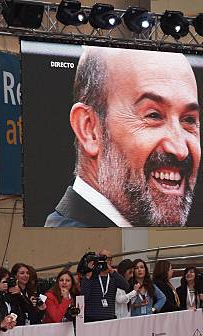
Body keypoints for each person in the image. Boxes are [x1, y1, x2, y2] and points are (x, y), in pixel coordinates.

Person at [45, 47, 201, 227]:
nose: (180, 149)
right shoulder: (73, 239)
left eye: (189, 120)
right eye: (153, 116)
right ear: (89, 129)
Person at [80, 256, 129, 322]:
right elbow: (84, 296)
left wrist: (112, 271)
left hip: (109, 319)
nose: (102, 263)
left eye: (107, 260)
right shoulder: (90, 277)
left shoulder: (113, 277)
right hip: (91, 319)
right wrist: (88, 274)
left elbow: (126, 286)